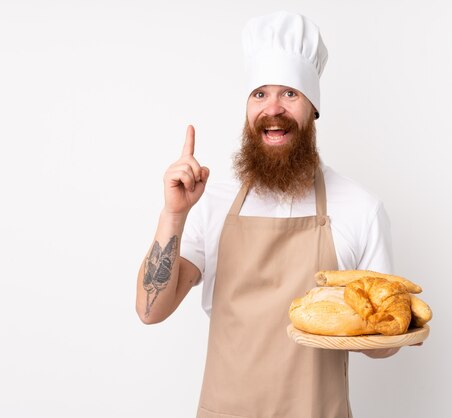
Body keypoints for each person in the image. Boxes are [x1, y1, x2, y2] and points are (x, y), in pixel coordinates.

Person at [136, 11, 406, 418]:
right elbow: (149, 311)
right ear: (248, 109)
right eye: (260, 94)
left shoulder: (359, 207)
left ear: (313, 108)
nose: (273, 108)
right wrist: (174, 214)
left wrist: (391, 326)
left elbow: (385, 348)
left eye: (290, 94)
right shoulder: (213, 202)